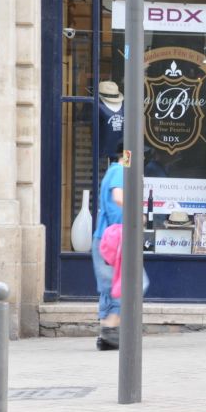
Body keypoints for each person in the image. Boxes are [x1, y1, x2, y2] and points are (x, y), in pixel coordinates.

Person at [91, 142, 126, 350]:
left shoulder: (111, 171)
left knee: (108, 287)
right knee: (129, 284)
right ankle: (110, 329)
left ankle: (105, 334)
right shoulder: (121, 170)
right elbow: (119, 197)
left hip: (102, 237)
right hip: (114, 238)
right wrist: (136, 215)